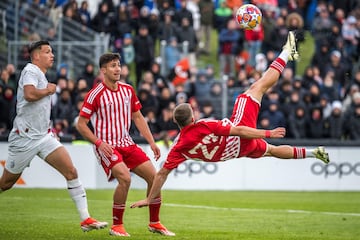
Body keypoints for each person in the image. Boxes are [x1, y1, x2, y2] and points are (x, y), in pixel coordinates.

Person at [130, 32, 330, 212]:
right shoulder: (202, 126)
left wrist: (150, 198)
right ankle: (287, 50)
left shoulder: (178, 147)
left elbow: (162, 174)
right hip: (240, 136)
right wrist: (267, 132)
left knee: (272, 151)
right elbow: (240, 131)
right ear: (192, 118)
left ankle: (315, 153)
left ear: (175, 121)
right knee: (257, 88)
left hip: (237, 152)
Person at [0, 40, 107, 232]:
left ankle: (85, 219)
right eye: (48, 52)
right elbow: (30, 94)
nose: (52, 55)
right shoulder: (30, 71)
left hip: (43, 136)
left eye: (52, 52)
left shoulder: (39, 73)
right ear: (36, 56)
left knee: (71, 172)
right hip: (24, 138)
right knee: (5, 184)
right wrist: (48, 90)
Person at [76, 53, 175, 237]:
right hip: (107, 146)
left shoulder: (128, 90)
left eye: (119, 65)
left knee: (155, 178)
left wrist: (152, 142)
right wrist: (98, 142)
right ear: (103, 70)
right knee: (125, 178)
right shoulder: (95, 94)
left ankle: (155, 223)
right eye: (113, 65)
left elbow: (137, 117)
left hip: (127, 143)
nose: (118, 69)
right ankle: (117, 225)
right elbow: (81, 124)